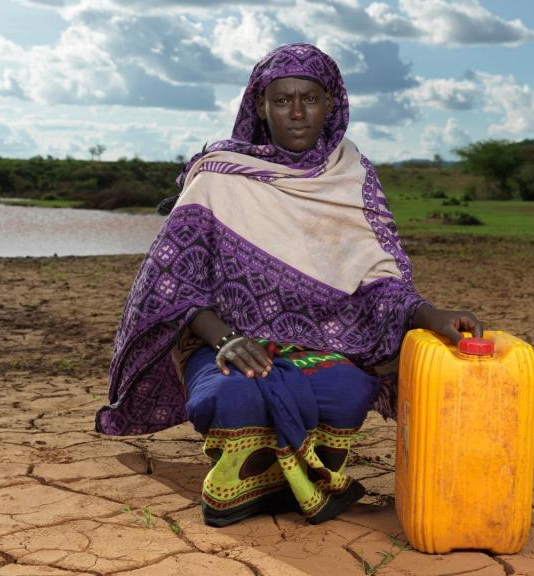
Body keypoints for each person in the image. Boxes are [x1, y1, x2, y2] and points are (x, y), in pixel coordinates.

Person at [96, 43, 480, 526]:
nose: (297, 113)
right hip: (223, 341)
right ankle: (245, 484)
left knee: (345, 386)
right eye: (282, 101)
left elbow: (378, 278)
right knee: (235, 393)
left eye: (310, 99)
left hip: (319, 341)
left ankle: (289, 481)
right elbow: (172, 282)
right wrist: (227, 338)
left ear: (331, 104)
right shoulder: (218, 178)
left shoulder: (351, 175)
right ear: (261, 106)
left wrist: (429, 314)